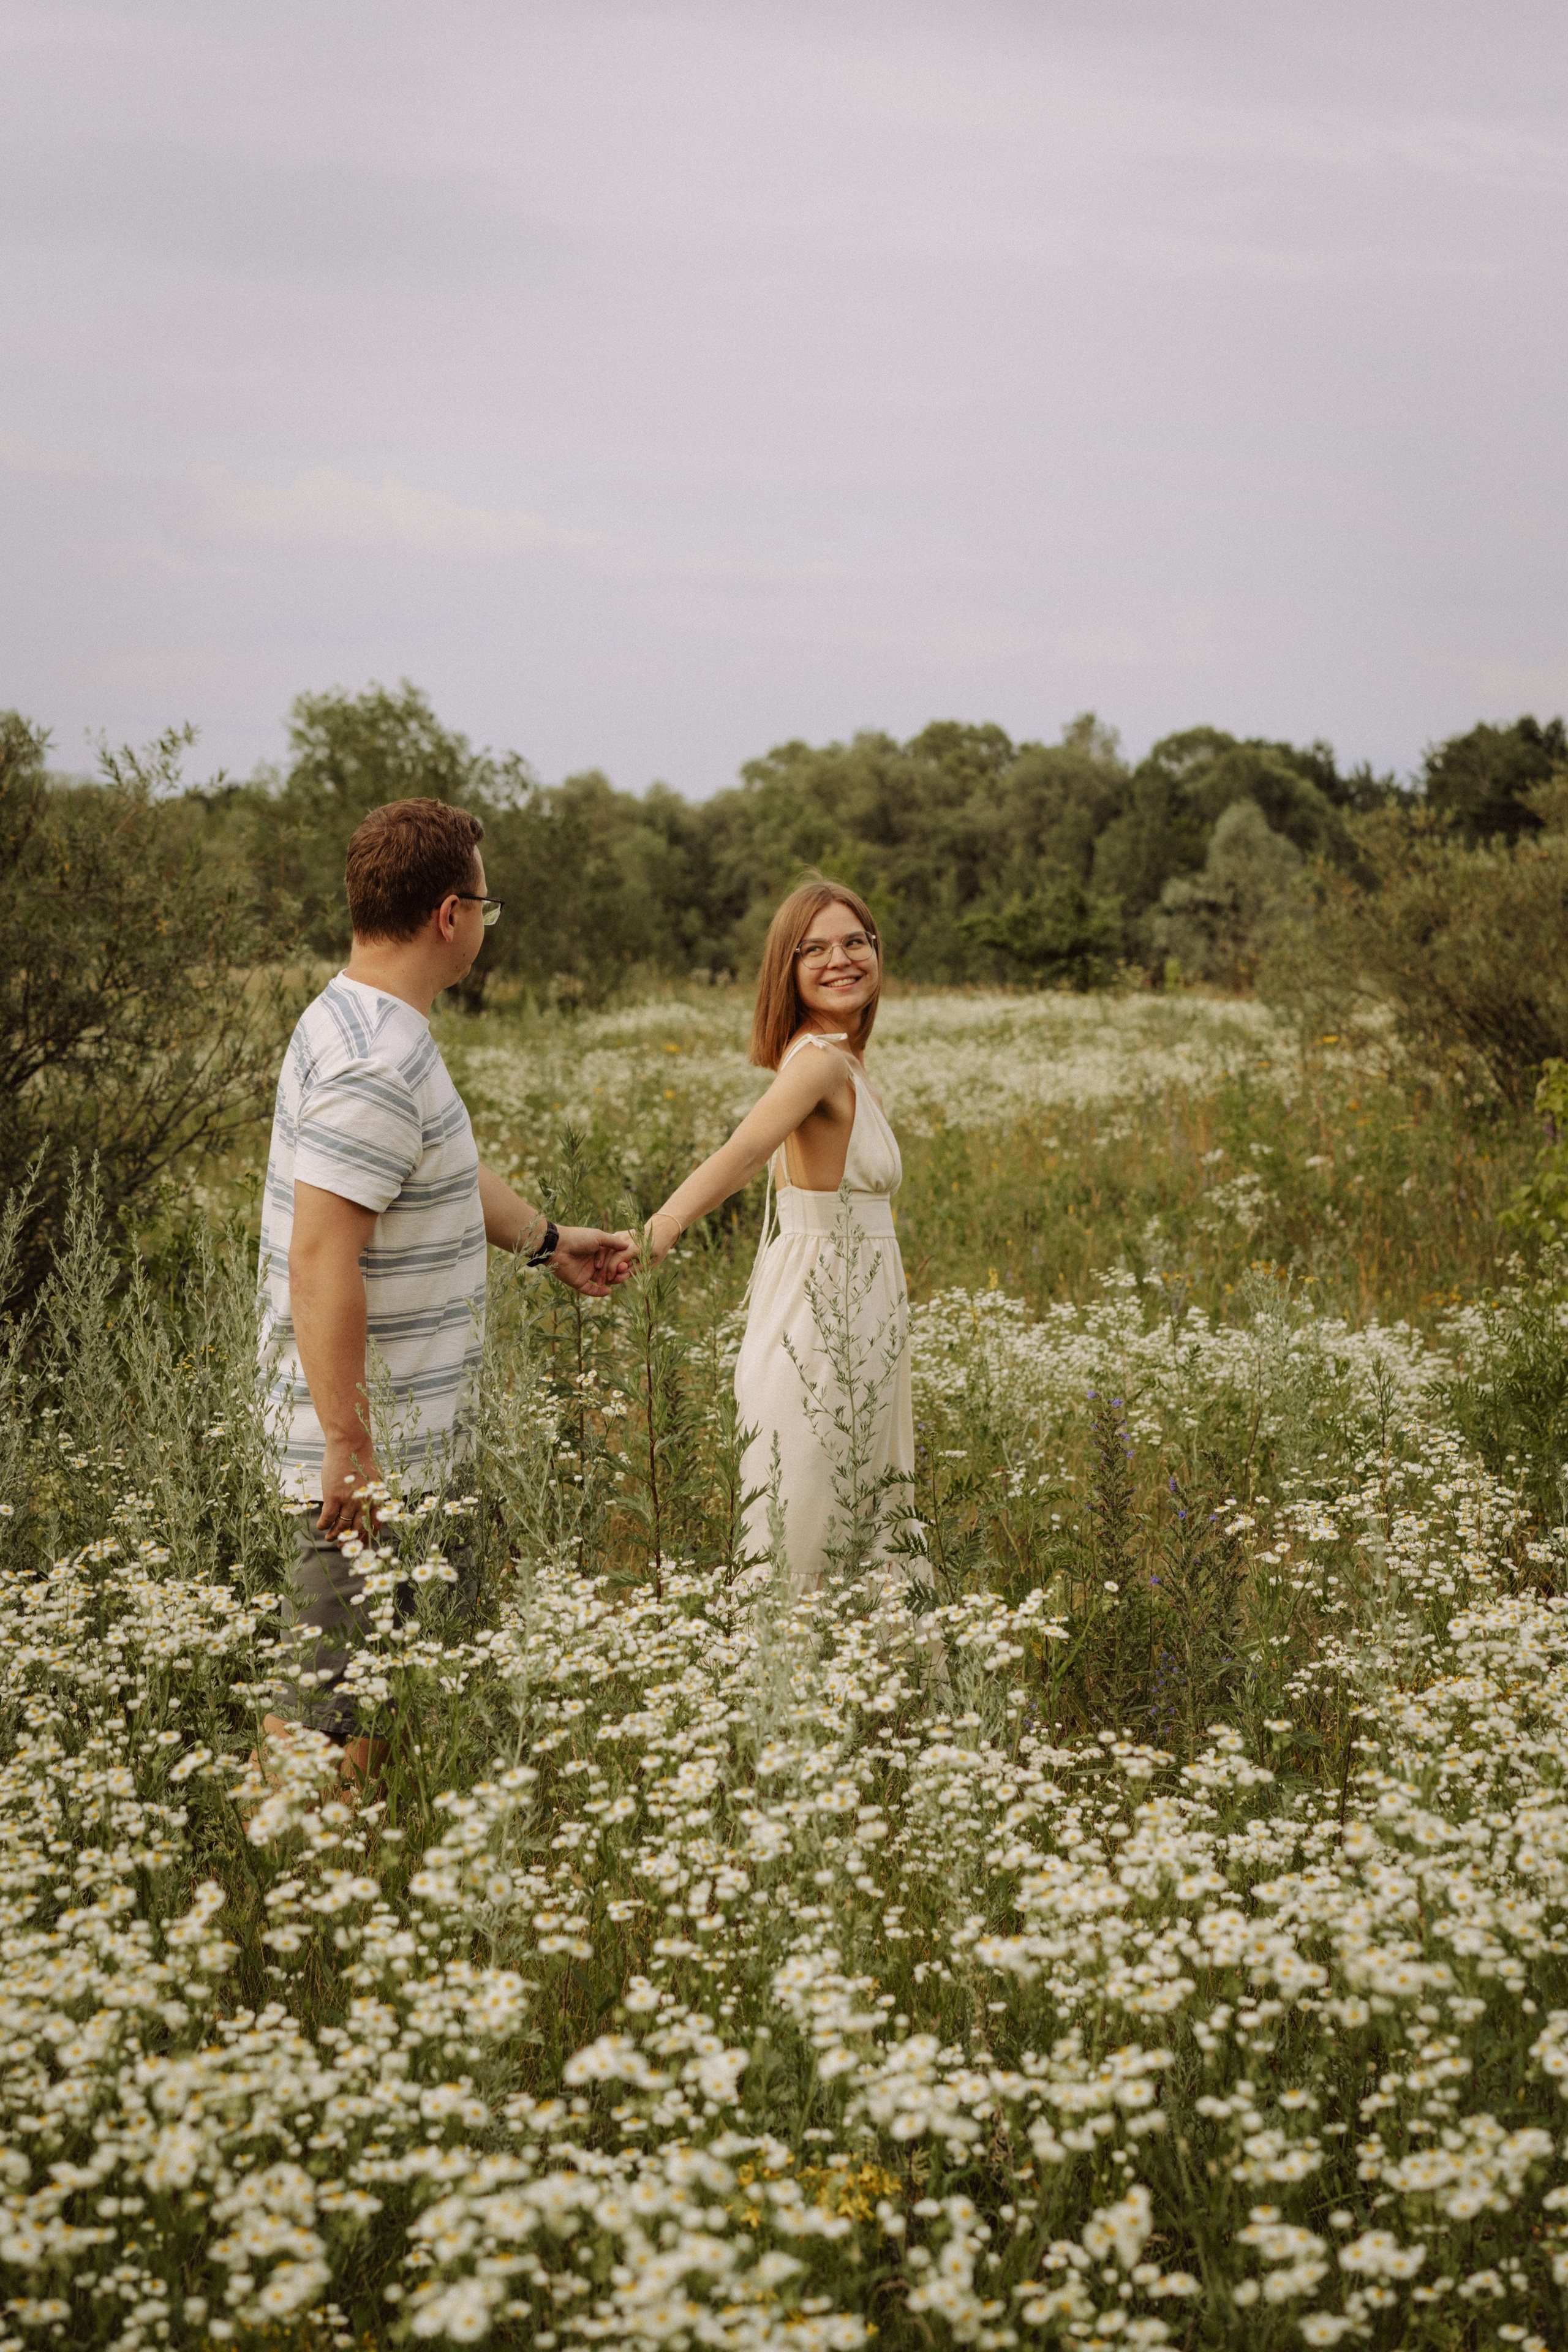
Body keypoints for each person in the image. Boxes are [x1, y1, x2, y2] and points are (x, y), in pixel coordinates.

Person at [256, 796, 631, 1776]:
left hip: (401, 1447)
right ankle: (291, 1910)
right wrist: (350, 1443)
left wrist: (550, 1242)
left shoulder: (358, 1017)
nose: (481, 925)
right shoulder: (378, 1059)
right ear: (448, 916)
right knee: (324, 1728)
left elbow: (442, 1173)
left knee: (372, 1709)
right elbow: (321, 1256)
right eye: (485, 905)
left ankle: (338, 1897)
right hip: (370, 1468)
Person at [643, 877, 914, 1596]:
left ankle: (856, 1685)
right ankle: (795, 1684)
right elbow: (743, 1153)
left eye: (855, 941)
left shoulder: (841, 1057)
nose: (841, 959)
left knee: (856, 1502)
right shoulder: (819, 1062)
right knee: (818, 1510)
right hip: (825, 1313)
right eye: (814, 949)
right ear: (786, 972)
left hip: (857, 1305)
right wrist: (663, 1226)